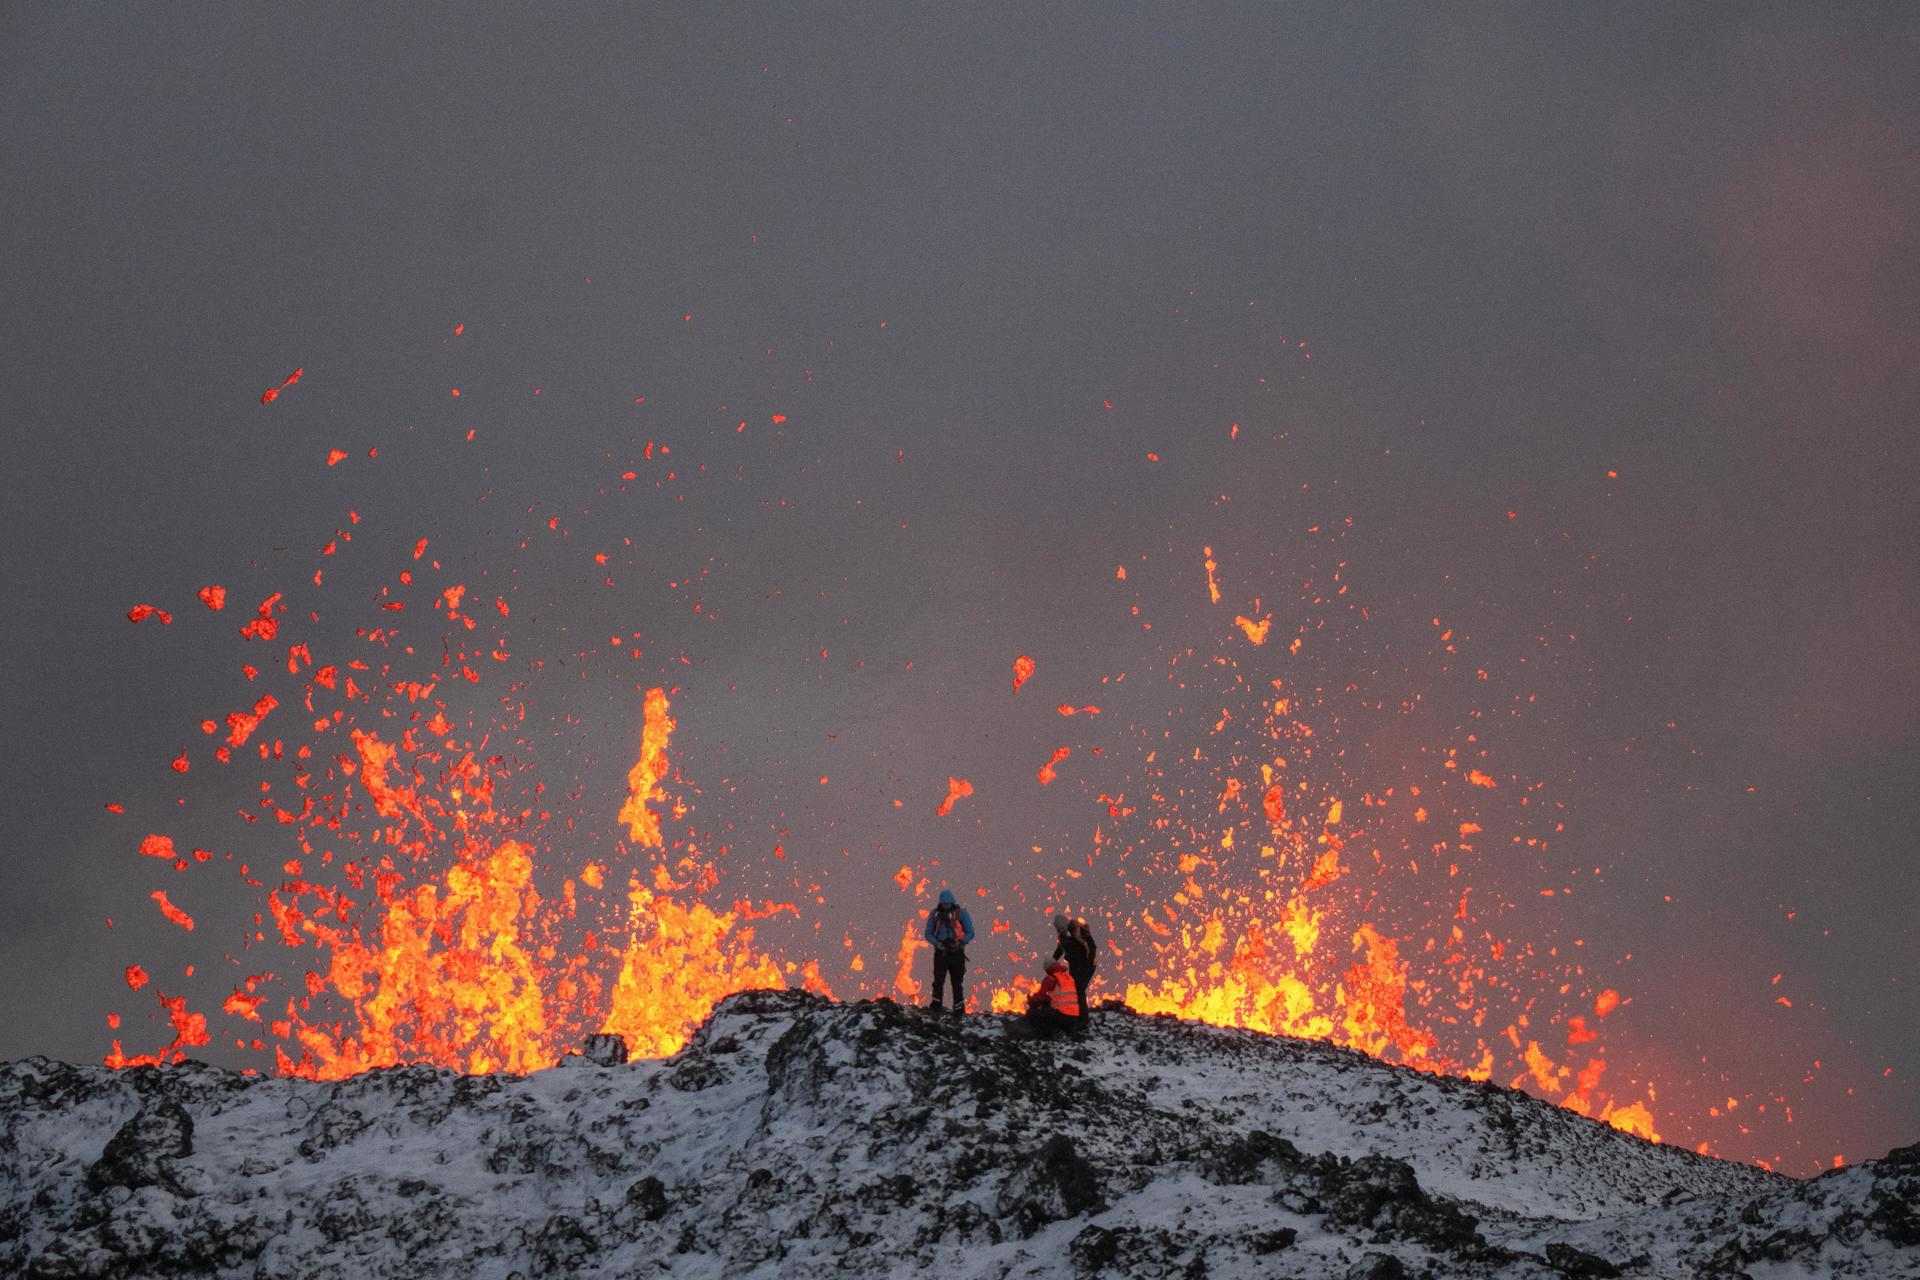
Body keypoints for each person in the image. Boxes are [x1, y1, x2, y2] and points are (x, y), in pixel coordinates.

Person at [923, 888, 975, 1013]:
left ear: (952, 902)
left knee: (957, 982)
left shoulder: (961, 914)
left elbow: (970, 932)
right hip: (941, 952)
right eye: (943, 904)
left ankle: (958, 1008)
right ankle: (936, 1006)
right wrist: (937, 943)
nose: (945, 906)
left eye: (947, 903)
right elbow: (928, 933)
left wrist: (961, 942)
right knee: (938, 981)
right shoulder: (935, 914)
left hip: (956, 952)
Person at [1051, 913, 1098, 1023]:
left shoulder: (1074, 932)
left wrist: (1090, 961)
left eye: (1058, 927)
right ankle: (1078, 1017)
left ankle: (1083, 1020)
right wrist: (1052, 962)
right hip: (1076, 966)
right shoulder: (1065, 937)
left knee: (1079, 991)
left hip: (1084, 966)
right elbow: (1060, 950)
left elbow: (1092, 946)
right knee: (1076, 991)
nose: (1057, 929)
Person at [1024, 960, 1081, 1036]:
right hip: (1073, 1018)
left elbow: (1041, 996)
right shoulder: (1069, 978)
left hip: (1061, 1016)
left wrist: (1031, 1000)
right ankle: (1065, 1031)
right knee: (1047, 1006)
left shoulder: (1051, 978)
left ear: (1049, 969)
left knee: (1032, 1013)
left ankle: (1046, 1034)